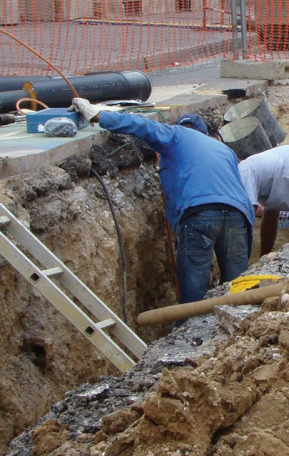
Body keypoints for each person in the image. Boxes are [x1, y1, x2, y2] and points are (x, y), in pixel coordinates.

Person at [71, 99, 254, 304]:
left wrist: (99, 116)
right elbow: (242, 195)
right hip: (238, 215)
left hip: (199, 214)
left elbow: (141, 125)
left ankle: (190, 334)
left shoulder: (177, 135)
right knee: (240, 289)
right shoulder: (225, 151)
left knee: (194, 297)